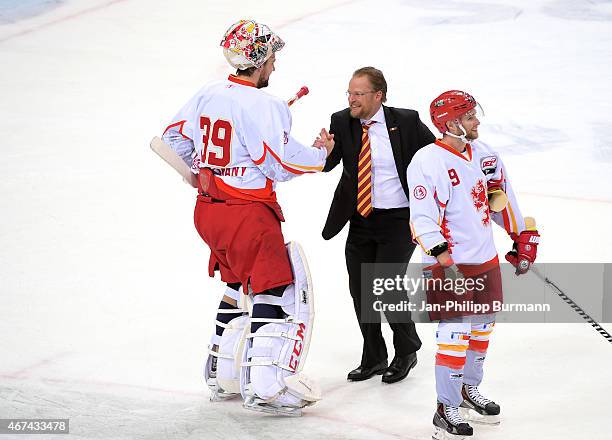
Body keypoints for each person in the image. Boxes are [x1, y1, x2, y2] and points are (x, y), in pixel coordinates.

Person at [161, 19, 334, 416]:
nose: (274, 66)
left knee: (239, 284)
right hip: (247, 214)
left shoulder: (210, 92)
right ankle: (265, 387)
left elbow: (173, 136)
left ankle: (221, 376)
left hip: (208, 211)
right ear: (258, 61)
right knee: (276, 289)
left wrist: (205, 171)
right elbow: (279, 163)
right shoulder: (265, 104)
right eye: (272, 58)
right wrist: (319, 155)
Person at [407, 90, 540, 439]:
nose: (476, 121)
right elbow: (421, 219)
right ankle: (444, 408)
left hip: (485, 260)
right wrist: (443, 259)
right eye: (468, 116)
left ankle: (468, 390)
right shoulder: (427, 162)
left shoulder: (485, 155)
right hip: (449, 265)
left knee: (481, 330)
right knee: (454, 336)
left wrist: (521, 236)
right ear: (451, 124)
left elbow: (501, 201)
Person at [322, 67, 435, 383]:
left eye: (358, 94)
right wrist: (326, 152)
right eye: (349, 93)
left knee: (385, 285)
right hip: (361, 216)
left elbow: (434, 156)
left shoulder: (406, 121)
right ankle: (373, 355)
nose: (352, 100)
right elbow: (330, 163)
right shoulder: (342, 120)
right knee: (360, 289)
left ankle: (406, 351)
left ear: (378, 95)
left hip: (400, 219)